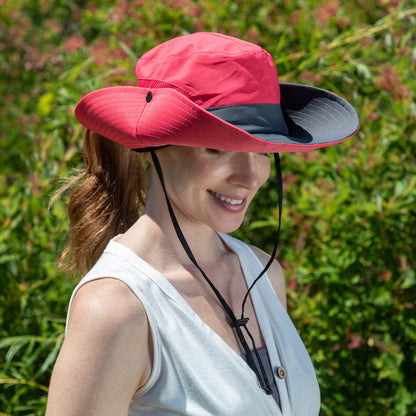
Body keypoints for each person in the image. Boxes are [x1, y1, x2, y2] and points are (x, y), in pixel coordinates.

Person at [45, 32, 359, 416]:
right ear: (156, 142)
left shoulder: (262, 275)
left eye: (262, 151)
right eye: (218, 148)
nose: (249, 178)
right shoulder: (115, 308)